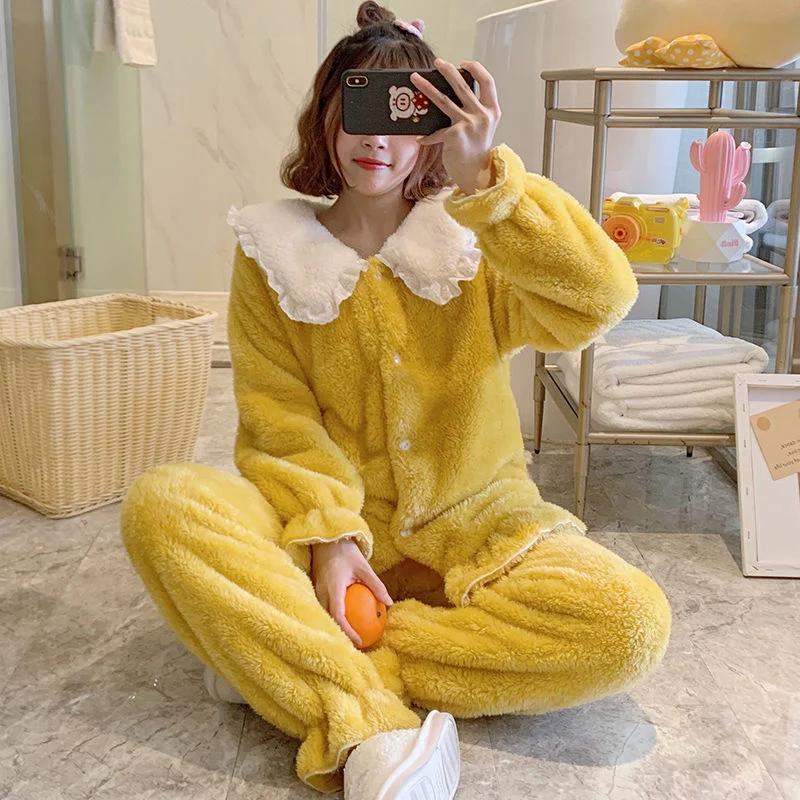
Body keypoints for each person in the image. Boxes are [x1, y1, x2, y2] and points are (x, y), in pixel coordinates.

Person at [121, 3, 672, 798]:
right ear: (326, 120)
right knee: (164, 505)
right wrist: (328, 538)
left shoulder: (477, 241)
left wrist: (490, 183)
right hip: (328, 538)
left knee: (628, 625)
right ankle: (368, 723)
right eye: (360, 109)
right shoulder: (272, 255)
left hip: (483, 536)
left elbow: (598, 300)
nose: (377, 137)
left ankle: (302, 657)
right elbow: (279, 419)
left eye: (404, 113)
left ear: (435, 129)